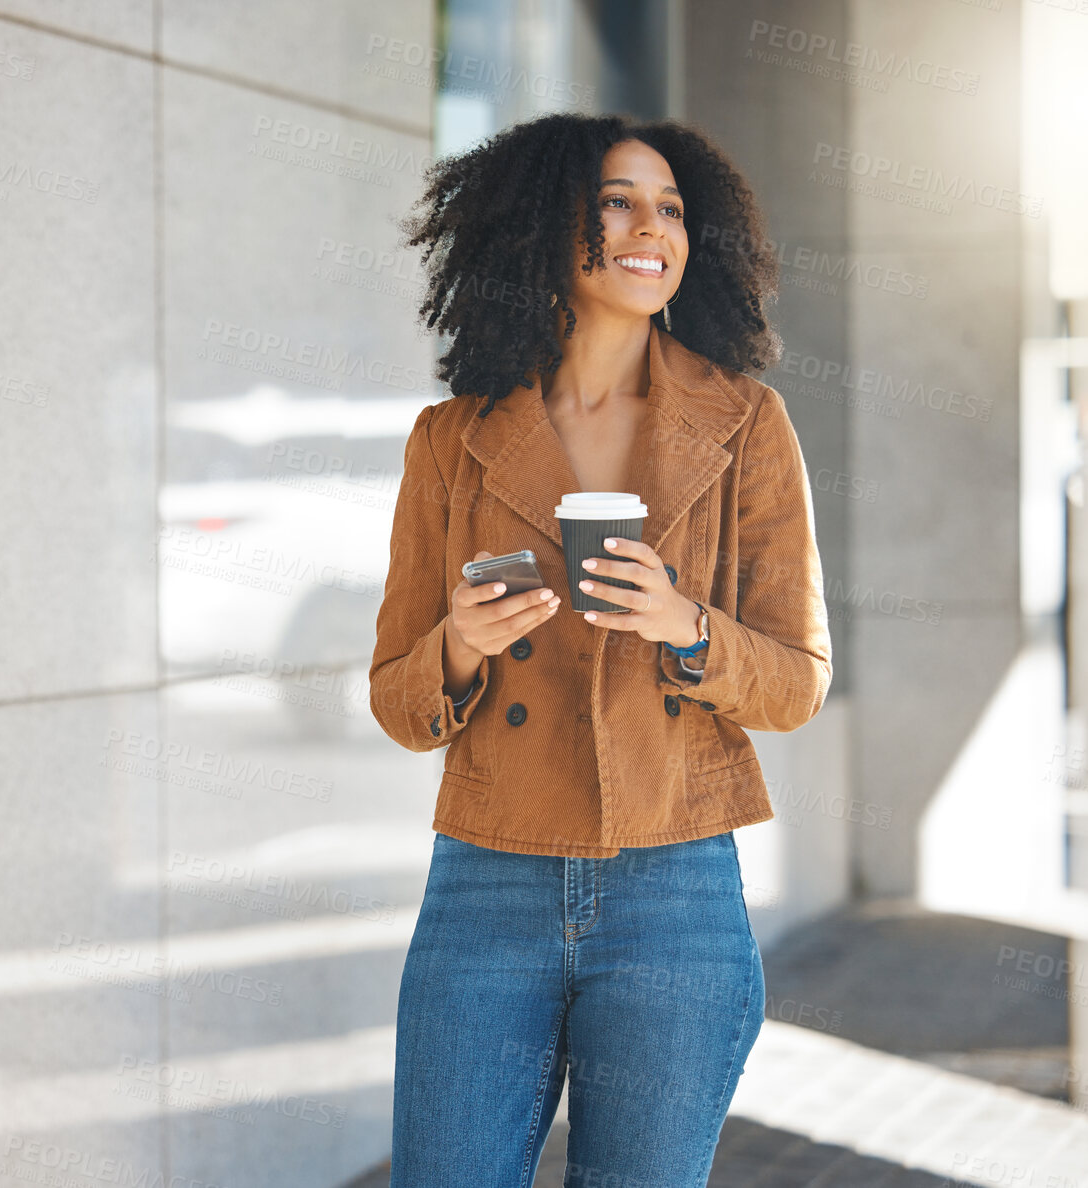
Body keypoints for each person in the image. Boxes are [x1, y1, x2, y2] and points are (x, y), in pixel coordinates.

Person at [371, 112, 834, 1185]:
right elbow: (398, 698)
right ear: (543, 228)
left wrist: (686, 628)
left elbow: (796, 682)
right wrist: (459, 643)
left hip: (674, 889)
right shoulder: (453, 437)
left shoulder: (745, 425)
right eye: (617, 201)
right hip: (485, 881)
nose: (651, 227)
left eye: (670, 207)